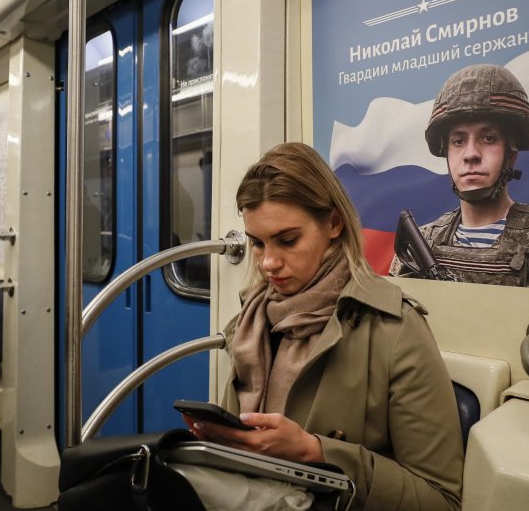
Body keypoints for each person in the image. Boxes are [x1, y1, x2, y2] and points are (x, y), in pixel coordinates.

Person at [186, 142, 463, 510]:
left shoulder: (395, 330)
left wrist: (316, 452)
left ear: (333, 224)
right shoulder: (251, 321)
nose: (268, 263)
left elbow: (440, 500)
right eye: (257, 243)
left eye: (287, 240)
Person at [388, 64, 529, 291]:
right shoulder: (419, 248)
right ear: (447, 153)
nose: (471, 154)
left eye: (488, 138)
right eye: (458, 141)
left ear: (511, 154)